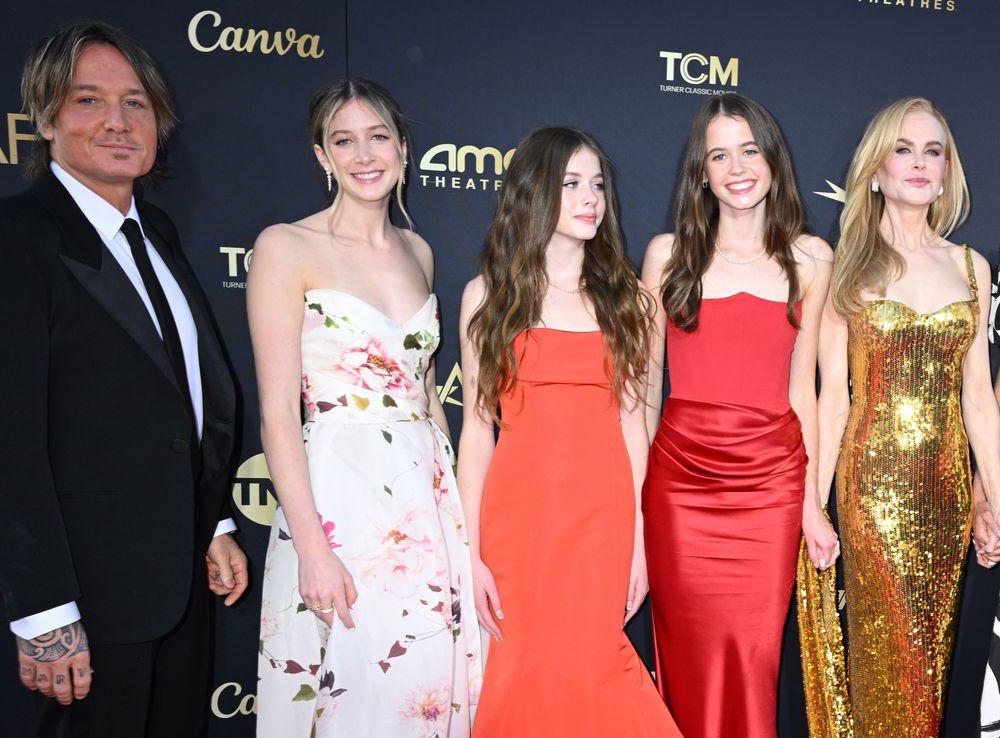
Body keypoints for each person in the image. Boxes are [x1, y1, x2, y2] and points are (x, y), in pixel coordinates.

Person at [0, 21, 246, 738]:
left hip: (179, 584)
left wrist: (212, 516)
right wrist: (43, 614)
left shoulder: (155, 231)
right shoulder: (8, 238)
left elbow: (175, 397)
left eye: (136, 103)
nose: (118, 122)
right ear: (46, 118)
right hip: (87, 602)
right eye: (89, 100)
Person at [249, 78, 481, 738]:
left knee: (425, 685)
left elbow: (428, 392)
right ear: (322, 157)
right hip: (338, 499)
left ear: (403, 148)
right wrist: (314, 549)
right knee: (355, 694)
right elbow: (276, 413)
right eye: (343, 141)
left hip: (425, 494)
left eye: (378, 136)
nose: (364, 154)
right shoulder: (285, 247)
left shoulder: (420, 252)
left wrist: (461, 520)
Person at [458, 126, 682, 737]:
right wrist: (470, 551)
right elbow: (477, 435)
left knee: (591, 668)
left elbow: (636, 427)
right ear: (532, 193)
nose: (590, 198)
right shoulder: (487, 299)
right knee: (524, 670)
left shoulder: (632, 302)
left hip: (600, 522)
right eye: (570, 183)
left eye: (598, 185)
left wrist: (639, 538)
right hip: (517, 524)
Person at [641, 93, 834, 738]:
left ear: (773, 160)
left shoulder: (810, 258)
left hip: (770, 484)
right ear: (701, 172)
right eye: (719, 154)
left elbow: (801, 389)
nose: (737, 166)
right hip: (679, 486)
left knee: (755, 660)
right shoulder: (667, 256)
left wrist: (810, 501)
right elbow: (642, 391)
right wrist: (633, 497)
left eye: (750, 149)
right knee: (688, 657)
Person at [816, 96, 1000, 737]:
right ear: (875, 169)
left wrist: (996, 500)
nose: (920, 163)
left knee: (943, 668)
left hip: (948, 492)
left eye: (934, 151)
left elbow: (978, 397)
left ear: (947, 171)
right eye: (904, 148)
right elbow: (833, 399)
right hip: (872, 493)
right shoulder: (843, 268)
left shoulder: (970, 267)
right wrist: (813, 506)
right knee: (888, 663)